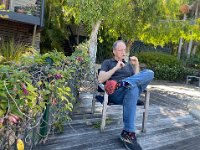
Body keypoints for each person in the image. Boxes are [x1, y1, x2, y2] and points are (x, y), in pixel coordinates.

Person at [98, 40, 154, 150]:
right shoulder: (107, 63)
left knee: (150, 73)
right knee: (132, 88)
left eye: (125, 50)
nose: (123, 52)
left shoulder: (128, 66)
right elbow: (100, 79)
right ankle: (128, 133)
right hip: (116, 93)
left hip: (129, 91)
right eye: (120, 50)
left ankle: (127, 133)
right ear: (114, 51)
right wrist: (115, 68)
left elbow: (138, 80)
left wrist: (136, 65)